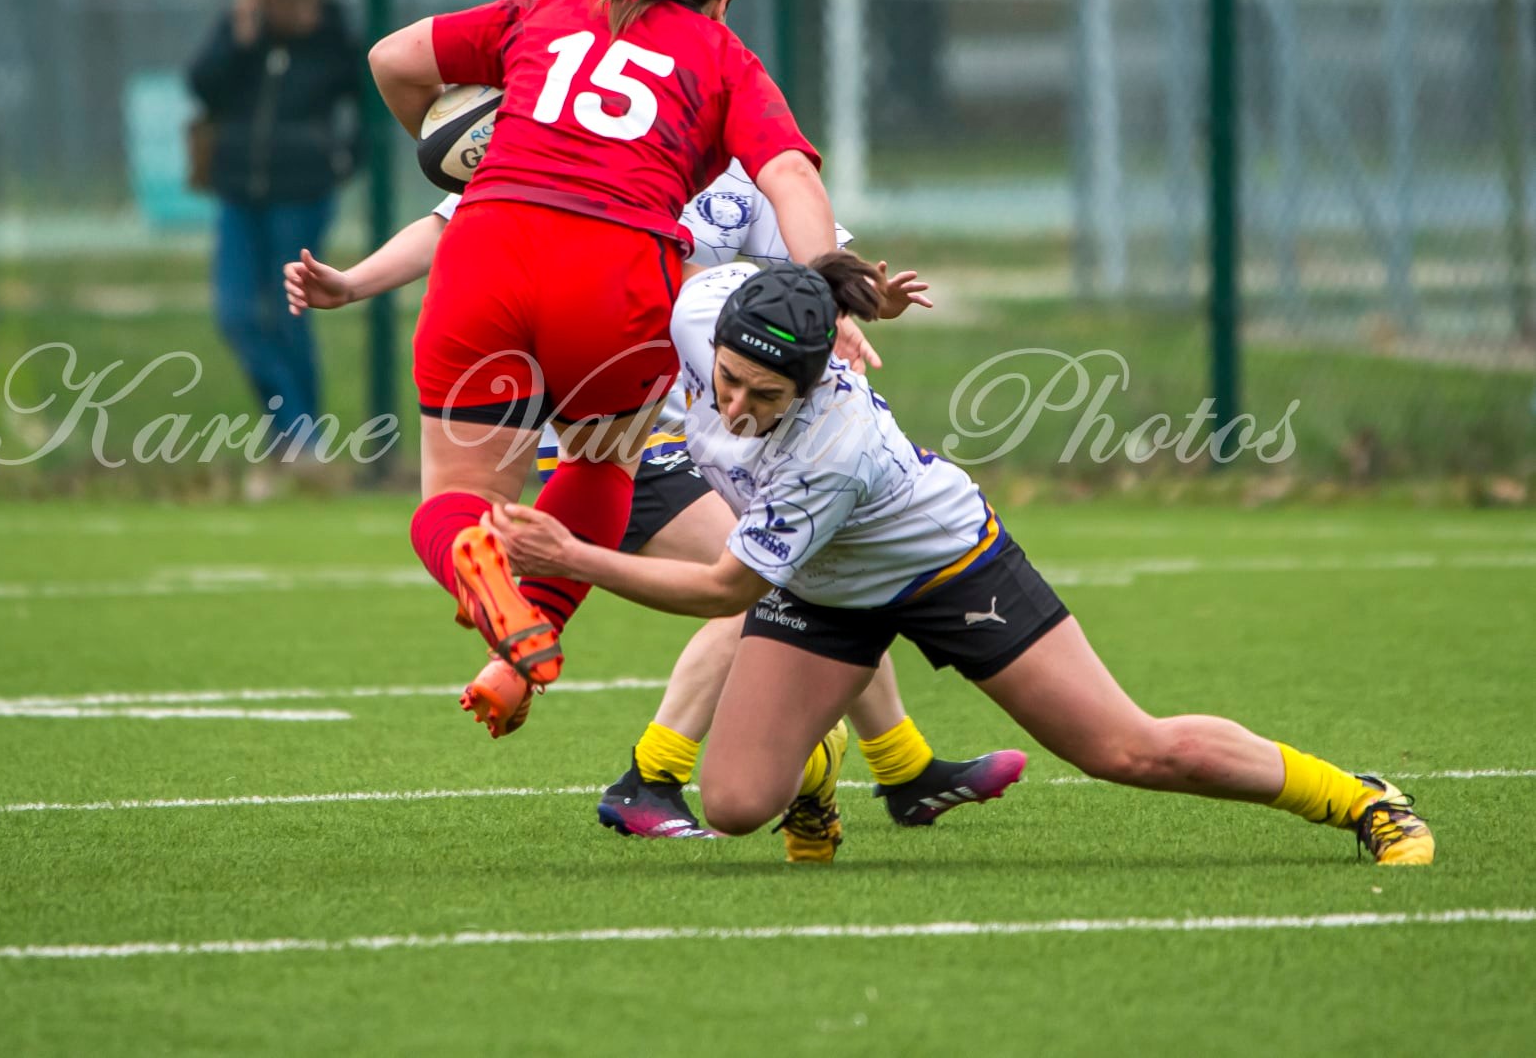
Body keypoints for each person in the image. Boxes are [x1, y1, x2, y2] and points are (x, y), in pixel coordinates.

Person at [490, 256, 1437, 865]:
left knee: (1127, 749)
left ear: (817, 379)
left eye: (764, 394)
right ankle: (816, 763)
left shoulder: (834, 445)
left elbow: (724, 588)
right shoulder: (705, 309)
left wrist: (572, 555)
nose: (732, 407)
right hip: (827, 589)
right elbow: (766, 275)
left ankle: (1360, 800)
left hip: (945, 567)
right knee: (736, 804)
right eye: (726, 380)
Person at [285, 165, 1021, 855]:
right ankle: (654, 774)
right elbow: (452, 224)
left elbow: (814, 264)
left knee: (816, 580)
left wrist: (857, 305)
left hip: (714, 440)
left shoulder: (743, 168)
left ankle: (895, 768)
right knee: (766, 585)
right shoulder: (581, 135)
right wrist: (350, 284)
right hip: (614, 440)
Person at [366, 0, 888, 736]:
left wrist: (454, 168)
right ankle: (529, 624)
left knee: (456, 494)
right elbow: (789, 174)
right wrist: (821, 283)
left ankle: (482, 575)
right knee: (604, 464)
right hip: (614, 271)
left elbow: (393, 58)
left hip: (489, 243)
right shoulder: (722, 56)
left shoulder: (551, 4)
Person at [186, 0, 365, 490]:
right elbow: (202, 86)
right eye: (289, 1)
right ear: (265, 0)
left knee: (291, 316)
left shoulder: (335, 34)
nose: (302, 10)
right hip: (239, 191)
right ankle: (298, 436)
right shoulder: (243, 33)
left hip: (303, 194)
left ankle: (301, 444)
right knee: (236, 314)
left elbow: (371, 103)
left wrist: (342, 162)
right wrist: (237, 44)